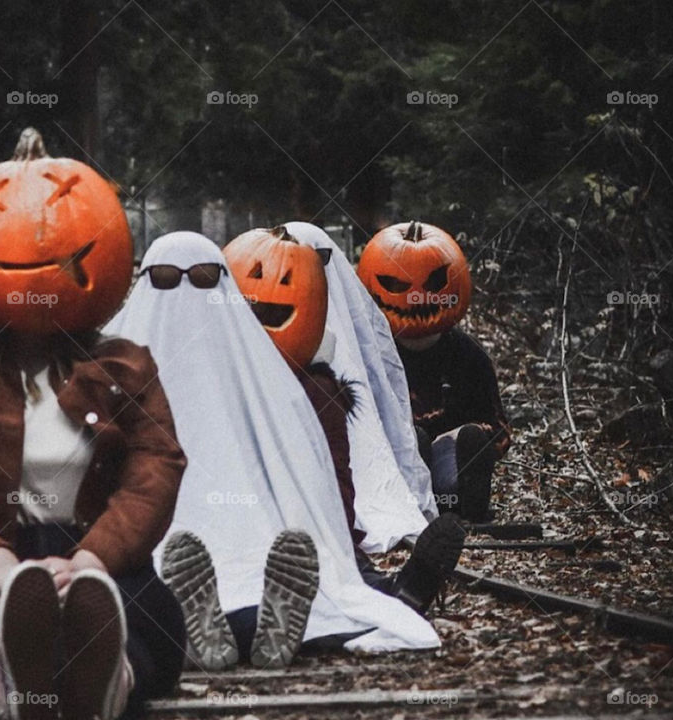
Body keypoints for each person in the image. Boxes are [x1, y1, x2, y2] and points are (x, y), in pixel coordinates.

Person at [0, 130, 186, 720]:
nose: (31, 249)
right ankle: (2, 675)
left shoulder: (125, 367)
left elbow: (156, 468)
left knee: (145, 620)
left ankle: (109, 675)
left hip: (98, 560)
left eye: (57, 235)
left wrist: (94, 560)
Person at [105, 231, 440, 672]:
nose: (185, 290)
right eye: (166, 279)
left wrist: (327, 543)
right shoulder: (108, 376)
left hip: (254, 539)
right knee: (151, 599)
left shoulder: (264, 382)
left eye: (204, 279)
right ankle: (230, 627)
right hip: (150, 543)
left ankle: (234, 627)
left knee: (255, 587)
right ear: (143, 282)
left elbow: (307, 476)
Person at [225, 224, 465, 615]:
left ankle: (385, 588)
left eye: (311, 269)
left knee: (332, 553)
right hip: (242, 527)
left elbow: (339, 477)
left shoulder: (323, 389)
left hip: (316, 530)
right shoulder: (223, 375)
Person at [359, 221, 511, 521]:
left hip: (447, 465)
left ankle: (465, 506)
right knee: (412, 441)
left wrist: (474, 437)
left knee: (465, 443)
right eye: (396, 285)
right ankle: (411, 500)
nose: (416, 296)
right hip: (394, 464)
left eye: (433, 284)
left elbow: (499, 428)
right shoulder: (371, 357)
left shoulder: (468, 356)